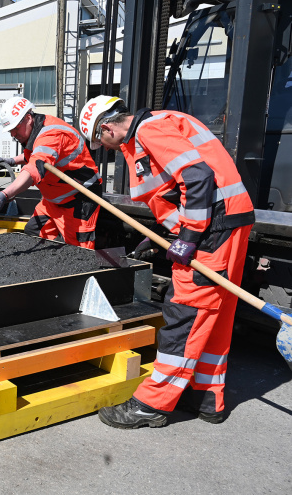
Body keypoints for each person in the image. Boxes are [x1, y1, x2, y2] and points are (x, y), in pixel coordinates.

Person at [79, 95, 255, 428]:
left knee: (185, 312)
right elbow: (177, 188)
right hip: (228, 223)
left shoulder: (149, 131)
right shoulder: (161, 122)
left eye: (100, 141)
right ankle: (206, 397)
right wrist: (170, 232)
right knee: (214, 315)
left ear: (107, 128)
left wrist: (188, 237)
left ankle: (152, 404)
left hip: (211, 230)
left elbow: (197, 177)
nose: (106, 147)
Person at [0, 96, 102, 248]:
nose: (13, 134)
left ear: (28, 118)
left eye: (15, 128)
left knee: (79, 250)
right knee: (34, 233)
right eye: (10, 131)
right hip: (54, 200)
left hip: (79, 199)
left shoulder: (51, 135)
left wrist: (4, 195)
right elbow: (36, 155)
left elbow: (34, 168)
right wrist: (12, 160)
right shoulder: (36, 131)